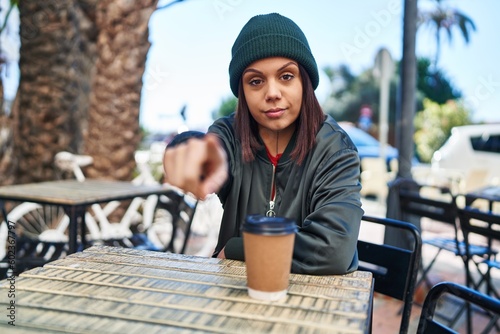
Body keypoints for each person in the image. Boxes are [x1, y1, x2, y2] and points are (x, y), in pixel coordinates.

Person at [163, 13, 363, 275]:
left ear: (305, 81)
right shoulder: (230, 135)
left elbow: (332, 249)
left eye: (286, 76)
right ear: (242, 91)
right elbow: (208, 149)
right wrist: (187, 150)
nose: (272, 93)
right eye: (256, 81)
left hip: (318, 305)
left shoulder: (336, 149)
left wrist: (239, 249)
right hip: (237, 298)